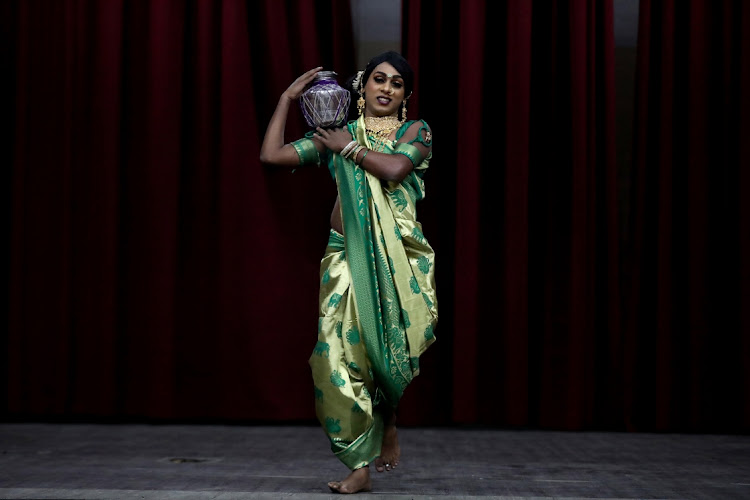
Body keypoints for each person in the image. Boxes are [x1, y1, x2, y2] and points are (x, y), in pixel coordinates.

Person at [259, 51, 438, 494]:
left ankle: (388, 419)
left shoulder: (415, 131)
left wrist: (349, 149)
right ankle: (358, 463)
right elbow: (272, 156)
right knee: (336, 358)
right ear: (362, 87)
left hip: (399, 258)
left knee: (390, 350)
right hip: (345, 256)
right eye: (379, 79)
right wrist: (286, 99)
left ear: (405, 96)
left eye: (397, 84)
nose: (386, 89)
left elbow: (396, 169)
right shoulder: (339, 134)